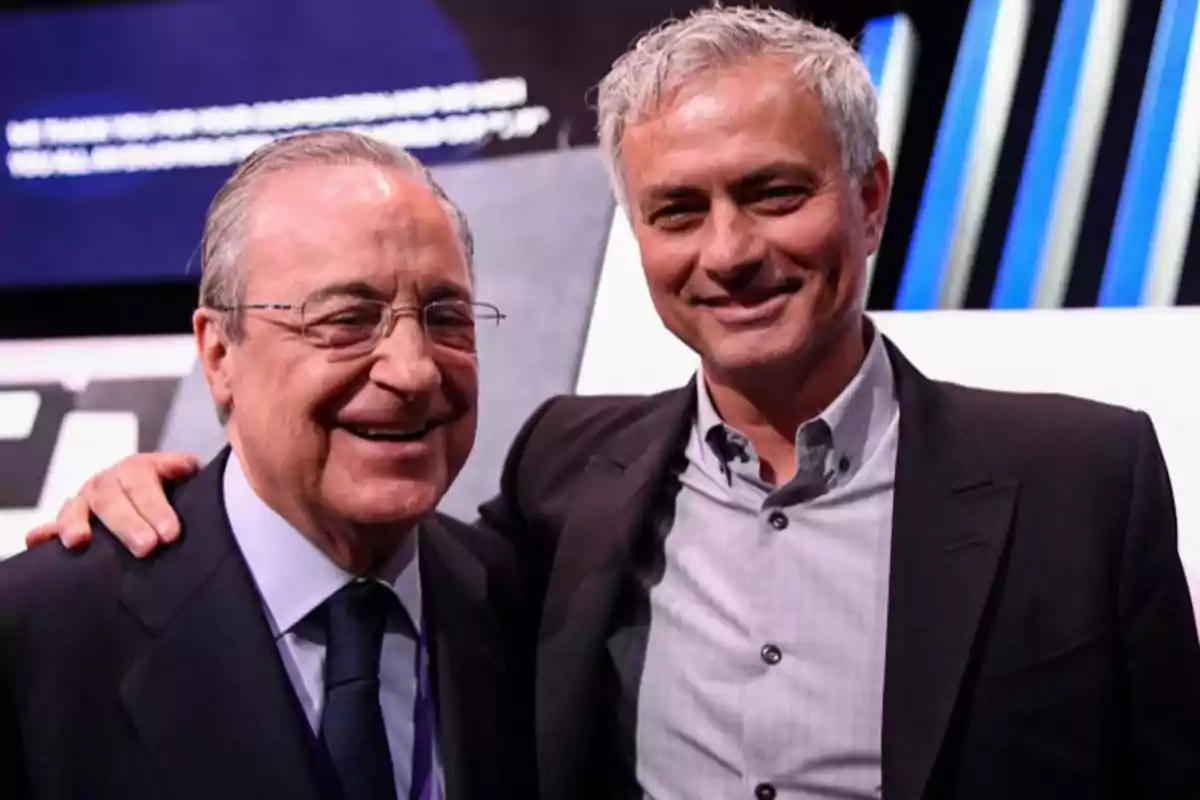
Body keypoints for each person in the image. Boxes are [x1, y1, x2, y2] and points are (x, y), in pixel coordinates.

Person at [28, 7, 1200, 800]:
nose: (730, 250)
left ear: (872, 198)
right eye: (678, 210)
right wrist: (159, 487)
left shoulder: (1085, 479)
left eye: (776, 192)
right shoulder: (565, 482)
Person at [2, 130, 532, 800]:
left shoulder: (529, 608)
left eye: (445, 315)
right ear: (220, 354)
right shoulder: (39, 638)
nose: (414, 369)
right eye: (346, 319)